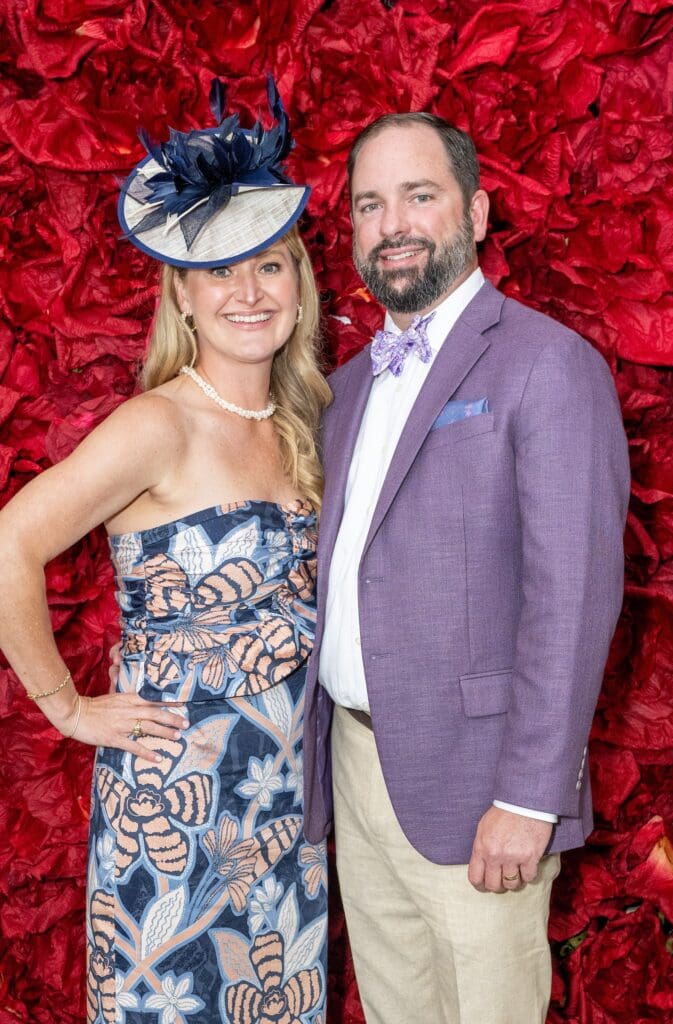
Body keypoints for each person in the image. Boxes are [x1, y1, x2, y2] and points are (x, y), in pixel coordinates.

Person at [0, 80, 330, 1024]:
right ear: (181, 294)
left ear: (298, 283)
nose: (247, 292)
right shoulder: (158, 424)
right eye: (218, 270)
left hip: (284, 811)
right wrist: (65, 707)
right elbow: (9, 543)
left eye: (268, 265)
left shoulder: (306, 421)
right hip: (175, 814)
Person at [303, 113, 630, 1023]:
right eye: (369, 204)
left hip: (480, 780)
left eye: (419, 195)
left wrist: (529, 796)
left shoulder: (547, 365)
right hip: (357, 764)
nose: (392, 225)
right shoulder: (345, 388)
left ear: (477, 213)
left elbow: (572, 599)